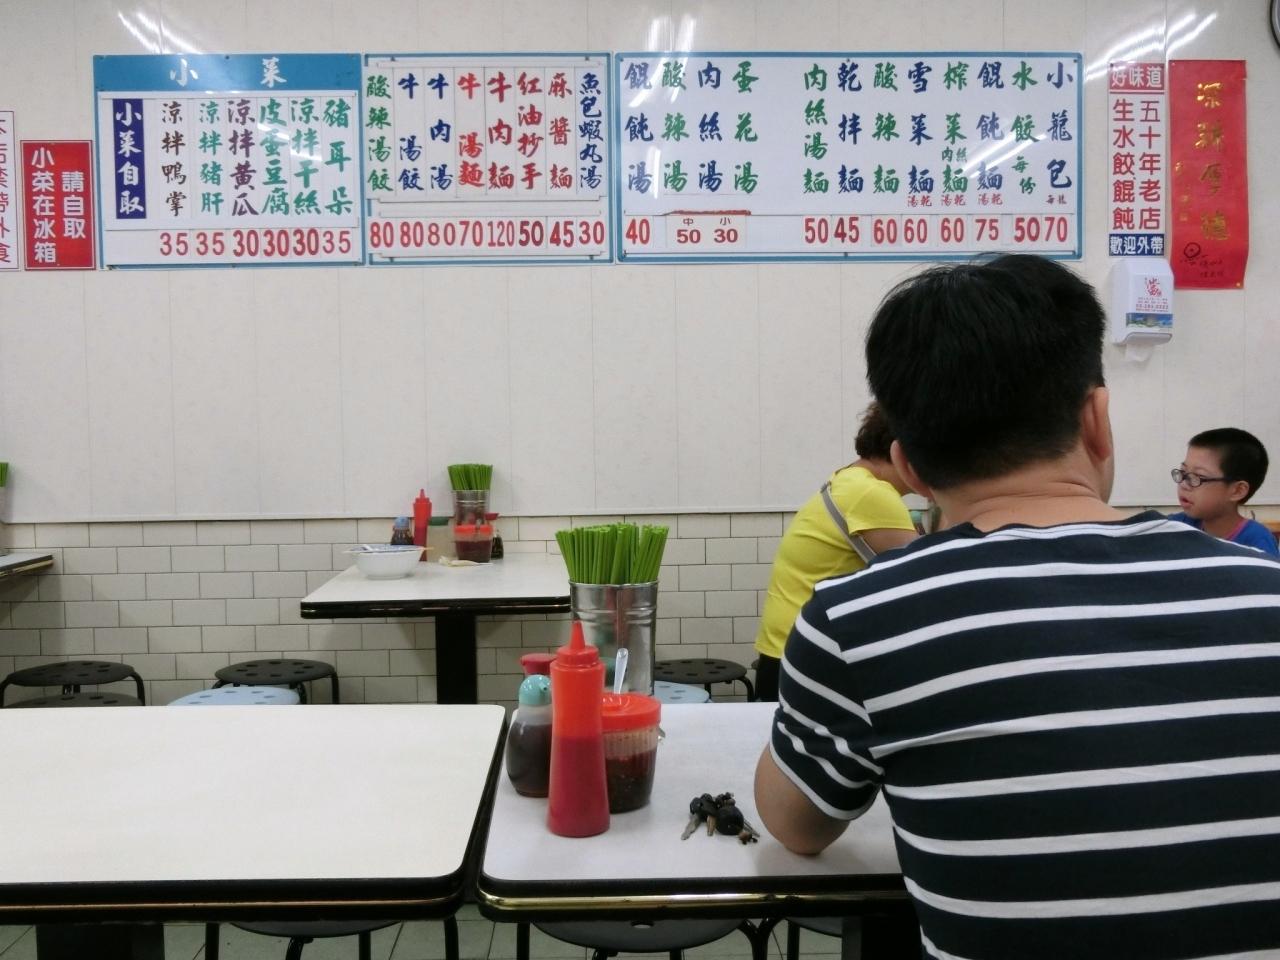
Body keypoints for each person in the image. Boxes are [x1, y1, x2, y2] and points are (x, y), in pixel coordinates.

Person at [755, 254, 1280, 960]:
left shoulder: (861, 619)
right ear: (1098, 419)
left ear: (909, 468)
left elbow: (796, 828)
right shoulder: (1266, 583)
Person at [753, 403, 918, 701]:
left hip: (788, 650)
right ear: (902, 450)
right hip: (810, 657)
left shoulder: (848, 479)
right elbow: (924, 580)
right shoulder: (871, 493)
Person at [1168, 427, 1279, 556]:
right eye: (1183, 472)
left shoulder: (1258, 543)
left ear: (1237, 491)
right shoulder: (1175, 526)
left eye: (1197, 477)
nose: (1183, 484)